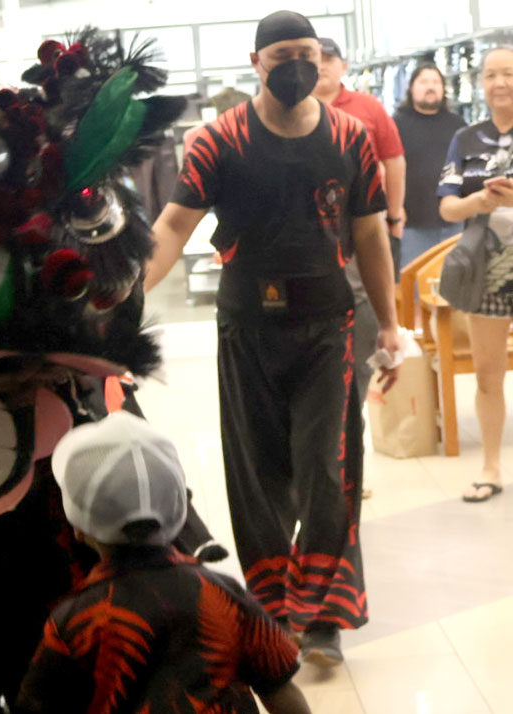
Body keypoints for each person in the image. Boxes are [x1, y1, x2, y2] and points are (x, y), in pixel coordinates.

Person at [144, 11, 400, 665]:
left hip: (329, 326)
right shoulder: (218, 140)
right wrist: (125, 295)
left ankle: (323, 619)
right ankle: (272, 613)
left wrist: (392, 323)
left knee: (326, 469)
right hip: (246, 327)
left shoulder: (350, 137)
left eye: (307, 52)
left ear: (322, 59)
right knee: (257, 473)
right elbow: (174, 226)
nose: (296, 64)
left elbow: (370, 234)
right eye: (283, 53)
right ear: (256, 62)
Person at [15, 412, 310, 714]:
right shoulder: (222, 593)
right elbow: (280, 687)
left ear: (79, 528)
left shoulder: (74, 620)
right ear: (177, 510)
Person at [313, 37, 406, 405]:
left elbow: (394, 159)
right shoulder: (292, 110)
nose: (321, 65)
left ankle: (360, 377)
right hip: (311, 231)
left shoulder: (367, 108)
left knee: (365, 294)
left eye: (329, 59)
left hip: (362, 222)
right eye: (314, 58)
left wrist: (394, 214)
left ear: (344, 67)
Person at [438, 47, 513, 504]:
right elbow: (446, 205)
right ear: (479, 83)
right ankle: (489, 465)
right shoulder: (466, 139)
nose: (500, 82)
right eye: (491, 75)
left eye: (508, 73)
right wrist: (479, 204)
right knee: (487, 371)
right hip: (486, 268)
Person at [394, 63, 466, 267]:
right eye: (424, 81)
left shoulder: (457, 124)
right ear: (411, 88)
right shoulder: (397, 124)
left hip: (454, 221)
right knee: (416, 286)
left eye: (436, 82)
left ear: (443, 89)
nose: (430, 86)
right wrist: (396, 208)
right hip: (413, 223)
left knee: (455, 285)